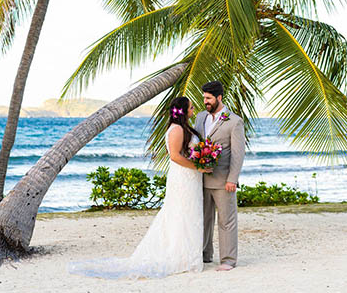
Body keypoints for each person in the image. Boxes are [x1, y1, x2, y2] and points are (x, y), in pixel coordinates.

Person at [67, 97, 211, 279]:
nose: (193, 110)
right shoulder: (176, 130)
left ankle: (188, 255)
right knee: (180, 214)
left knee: (190, 214)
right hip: (183, 178)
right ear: (183, 111)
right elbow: (175, 156)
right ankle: (180, 257)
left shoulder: (185, 129)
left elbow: (188, 152)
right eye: (190, 108)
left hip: (191, 179)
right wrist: (198, 166)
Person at [194, 81, 246, 271]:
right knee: (204, 220)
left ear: (219, 97)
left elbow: (238, 153)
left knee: (226, 221)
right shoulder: (200, 118)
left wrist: (232, 178)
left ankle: (228, 260)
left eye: (208, 98)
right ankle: (205, 255)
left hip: (224, 181)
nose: (205, 102)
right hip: (201, 180)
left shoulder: (234, 121)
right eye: (204, 98)